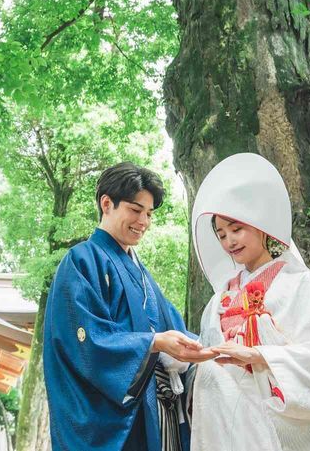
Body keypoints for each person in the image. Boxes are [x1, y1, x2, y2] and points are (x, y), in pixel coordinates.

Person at [188, 153, 310, 451]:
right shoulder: (219, 300)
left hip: (274, 423)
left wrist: (263, 356)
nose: (229, 242)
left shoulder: (304, 285)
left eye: (236, 229)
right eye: (221, 234)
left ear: (261, 224)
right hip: (224, 424)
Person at [44, 162, 215, 451]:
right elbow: (85, 342)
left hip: (158, 413)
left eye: (149, 214)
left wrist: (209, 348)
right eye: (135, 211)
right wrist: (153, 343)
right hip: (118, 417)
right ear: (107, 203)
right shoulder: (82, 261)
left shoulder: (143, 275)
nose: (144, 222)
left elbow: (175, 329)